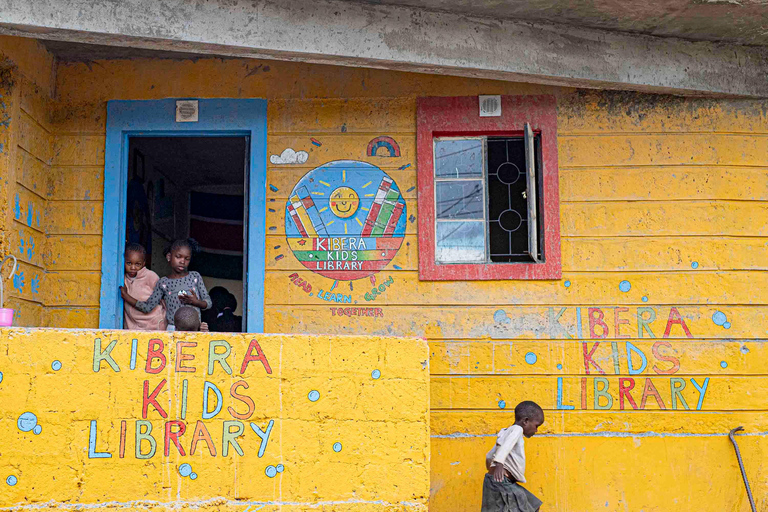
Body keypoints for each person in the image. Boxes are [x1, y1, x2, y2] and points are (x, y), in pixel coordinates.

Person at [120, 238, 212, 329]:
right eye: (178, 257)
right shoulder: (163, 283)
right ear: (169, 257)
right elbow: (147, 307)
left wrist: (197, 302)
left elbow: (208, 303)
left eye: (187, 258)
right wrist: (126, 296)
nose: (182, 261)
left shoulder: (195, 277)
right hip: (172, 329)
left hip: (194, 329)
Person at [482, 401, 545, 512]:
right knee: (527, 507)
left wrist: (491, 469)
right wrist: (499, 463)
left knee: (532, 504)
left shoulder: (505, 432)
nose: (536, 430)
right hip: (501, 482)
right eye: (536, 426)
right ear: (525, 421)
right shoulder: (517, 429)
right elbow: (505, 447)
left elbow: (489, 455)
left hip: (496, 481)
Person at [122, 243, 166, 330]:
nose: (133, 267)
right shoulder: (122, 278)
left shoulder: (150, 276)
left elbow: (163, 299)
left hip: (154, 323)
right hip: (133, 325)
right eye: (129, 263)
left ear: (143, 263)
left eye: (137, 264)